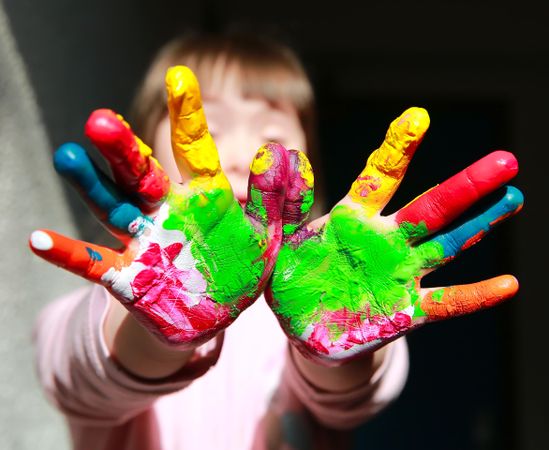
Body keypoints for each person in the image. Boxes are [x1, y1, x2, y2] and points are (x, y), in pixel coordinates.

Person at [29, 32, 523, 450]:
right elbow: (74, 376)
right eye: (209, 126)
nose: (244, 154)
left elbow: (346, 400)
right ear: (141, 150)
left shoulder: (328, 292)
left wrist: (339, 346)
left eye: (271, 132)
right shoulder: (104, 308)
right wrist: (164, 324)